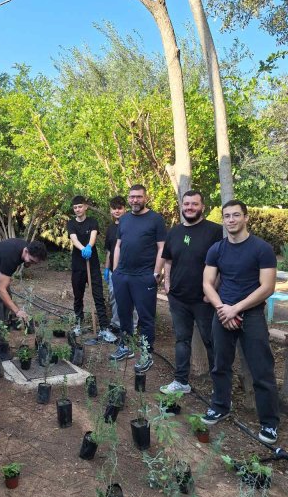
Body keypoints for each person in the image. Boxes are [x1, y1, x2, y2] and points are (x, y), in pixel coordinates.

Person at [201, 200, 280, 445]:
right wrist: (222, 309)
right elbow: (207, 283)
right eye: (227, 216)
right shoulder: (216, 249)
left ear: (246, 218)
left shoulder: (262, 249)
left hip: (251, 315)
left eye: (236, 215)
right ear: (223, 220)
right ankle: (220, 406)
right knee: (220, 364)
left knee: (262, 370)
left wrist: (236, 308)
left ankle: (269, 422)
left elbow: (267, 287)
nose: (231, 220)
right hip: (222, 313)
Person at [159, 191, 223, 394]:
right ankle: (181, 381)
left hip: (204, 300)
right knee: (181, 340)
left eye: (194, 204)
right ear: (182, 206)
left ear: (202, 207)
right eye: (186, 204)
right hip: (178, 298)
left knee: (211, 342)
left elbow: (222, 265)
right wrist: (168, 285)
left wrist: (212, 292)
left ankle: (220, 388)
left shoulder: (215, 231)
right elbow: (168, 261)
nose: (190, 207)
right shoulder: (174, 232)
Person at [111, 184, 166, 370]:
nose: (135, 200)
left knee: (146, 318)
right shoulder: (124, 219)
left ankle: (146, 353)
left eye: (139, 197)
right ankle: (126, 346)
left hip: (144, 276)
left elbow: (162, 248)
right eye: (132, 197)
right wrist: (115, 271)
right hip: (122, 276)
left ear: (145, 198)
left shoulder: (156, 219)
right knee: (124, 314)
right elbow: (118, 245)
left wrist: (156, 273)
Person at [67, 196, 117, 343]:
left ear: (85, 207)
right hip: (78, 265)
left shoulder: (92, 222)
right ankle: (78, 324)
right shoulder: (71, 223)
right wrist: (83, 248)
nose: (77, 209)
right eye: (75, 207)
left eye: (80, 206)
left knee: (98, 296)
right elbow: (74, 239)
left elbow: (93, 236)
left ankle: (104, 328)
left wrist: (89, 246)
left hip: (92, 264)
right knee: (78, 296)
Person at [0, 239, 47, 327]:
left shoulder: (27, 248)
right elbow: (0, 290)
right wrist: (17, 311)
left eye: (34, 263)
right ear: (26, 251)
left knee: (7, 296)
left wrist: (28, 262)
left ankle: (3, 324)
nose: (31, 263)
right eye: (31, 261)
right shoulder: (11, 257)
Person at [103, 196, 126, 333]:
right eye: (114, 208)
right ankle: (116, 324)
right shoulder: (111, 228)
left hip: (128, 269)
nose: (117, 211)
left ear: (125, 209)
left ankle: (131, 327)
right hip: (113, 271)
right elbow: (109, 251)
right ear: (111, 210)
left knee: (129, 299)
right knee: (114, 297)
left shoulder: (130, 225)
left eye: (119, 208)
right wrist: (107, 269)